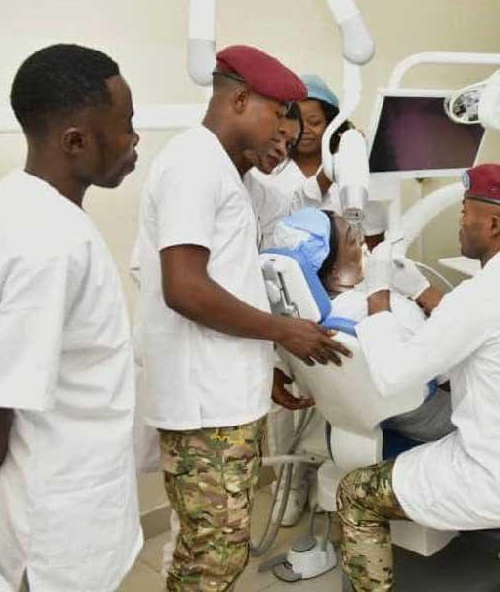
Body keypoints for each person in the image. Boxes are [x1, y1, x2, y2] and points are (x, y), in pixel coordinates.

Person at [134, 44, 351, 591]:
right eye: (279, 120)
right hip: (202, 403)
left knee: (218, 549)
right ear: (238, 99)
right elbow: (184, 287)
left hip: (224, 389)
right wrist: (283, 333)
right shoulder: (193, 165)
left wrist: (263, 362)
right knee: (214, 557)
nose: (287, 136)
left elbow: (249, 254)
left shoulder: (233, 174)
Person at [0, 44, 142, 590]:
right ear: (75, 141)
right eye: (125, 126)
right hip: (60, 522)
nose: (134, 140)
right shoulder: (50, 244)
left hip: (67, 487)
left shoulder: (18, 199)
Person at [337, 164, 500, 592]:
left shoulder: (478, 298)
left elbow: (394, 376)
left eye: (464, 212)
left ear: (492, 224)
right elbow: (483, 326)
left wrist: (378, 292)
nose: (460, 221)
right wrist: (419, 289)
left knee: (355, 492)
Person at [269, 208, 455, 442]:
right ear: (336, 274)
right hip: (437, 421)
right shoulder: (390, 309)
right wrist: (424, 292)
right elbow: (454, 377)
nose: (362, 244)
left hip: (376, 420)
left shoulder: (295, 324)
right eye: (352, 241)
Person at [268, 73, 387, 247]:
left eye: (314, 122)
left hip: (350, 270)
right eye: (298, 122)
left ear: (332, 124)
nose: (305, 130)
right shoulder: (272, 170)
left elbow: (374, 238)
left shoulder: (350, 167)